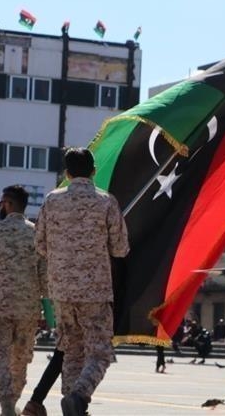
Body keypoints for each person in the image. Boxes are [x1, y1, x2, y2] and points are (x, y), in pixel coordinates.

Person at [35, 147, 129, 416]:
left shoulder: (52, 200)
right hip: (95, 290)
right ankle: (79, 394)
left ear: (67, 173)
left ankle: (72, 404)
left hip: (61, 290)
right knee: (99, 352)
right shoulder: (106, 201)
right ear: (93, 171)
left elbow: (40, 244)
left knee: (72, 351)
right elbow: (120, 248)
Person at [0, 185, 47, 416]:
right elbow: (44, 275)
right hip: (27, 309)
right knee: (20, 360)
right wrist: (46, 310)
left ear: (8, 203)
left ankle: (7, 405)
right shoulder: (36, 233)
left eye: (1, 203)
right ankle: (11, 403)